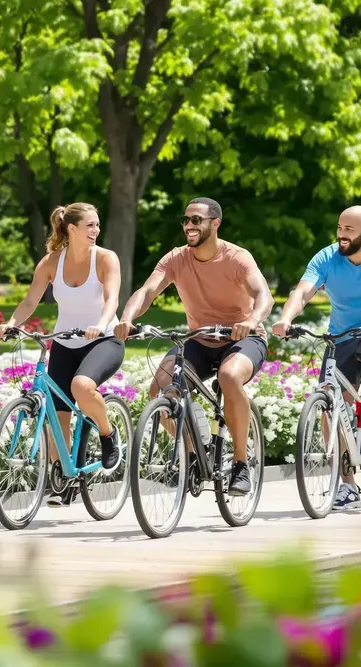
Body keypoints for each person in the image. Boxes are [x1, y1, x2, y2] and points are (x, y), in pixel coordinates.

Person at [114, 197, 273, 497]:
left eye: (196, 220)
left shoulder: (237, 257)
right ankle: (192, 454)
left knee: (229, 376)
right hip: (199, 339)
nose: (189, 225)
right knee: (159, 389)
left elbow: (264, 295)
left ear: (215, 223)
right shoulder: (176, 258)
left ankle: (240, 464)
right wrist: (127, 318)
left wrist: (252, 320)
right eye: (185, 220)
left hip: (243, 338)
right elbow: (147, 291)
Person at [272, 205, 361, 511]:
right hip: (343, 334)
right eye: (340, 227)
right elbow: (303, 292)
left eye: (349, 229)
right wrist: (286, 318)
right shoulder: (327, 257)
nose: (342, 234)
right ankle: (347, 486)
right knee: (329, 401)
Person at [0, 203, 124, 505]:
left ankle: (108, 434)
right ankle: (64, 479)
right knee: (57, 416)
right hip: (65, 343)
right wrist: (13, 324)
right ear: (72, 229)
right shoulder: (51, 262)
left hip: (103, 339)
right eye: (90, 225)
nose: (96, 230)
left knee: (82, 386)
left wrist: (101, 324)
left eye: (97, 225)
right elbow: (31, 300)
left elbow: (112, 299)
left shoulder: (105, 258)